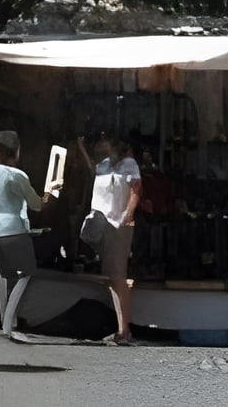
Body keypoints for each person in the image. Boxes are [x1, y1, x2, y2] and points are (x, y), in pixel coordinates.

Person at [0, 127, 45, 344]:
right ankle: (9, 323)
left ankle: (8, 322)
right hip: (15, 229)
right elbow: (37, 204)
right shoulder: (16, 175)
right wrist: (51, 193)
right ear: (15, 152)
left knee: (7, 276)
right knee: (26, 274)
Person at [77, 130, 141, 346]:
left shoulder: (129, 164)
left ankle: (125, 330)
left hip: (118, 224)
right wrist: (82, 149)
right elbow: (91, 171)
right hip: (103, 222)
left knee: (118, 276)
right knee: (112, 278)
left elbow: (136, 190)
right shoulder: (105, 164)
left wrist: (128, 214)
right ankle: (121, 329)